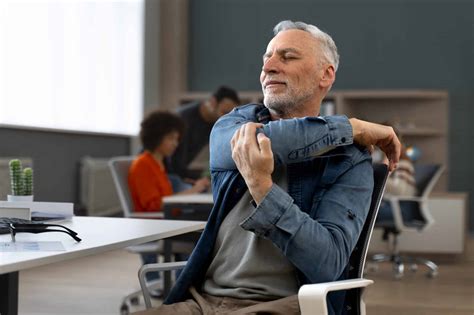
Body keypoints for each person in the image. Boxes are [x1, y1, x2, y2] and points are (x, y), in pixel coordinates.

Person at [136, 20, 400, 315]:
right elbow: (265, 140)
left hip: (285, 306)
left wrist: (263, 189)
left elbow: (327, 263)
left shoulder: (349, 159)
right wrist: (350, 127)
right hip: (201, 303)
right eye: (267, 57)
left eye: (288, 57)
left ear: (325, 75)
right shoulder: (231, 125)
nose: (269, 66)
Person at [128, 110, 210, 286]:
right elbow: (155, 205)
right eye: (171, 138)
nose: (176, 143)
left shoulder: (158, 165)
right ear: (158, 137)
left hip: (166, 219)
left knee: (203, 224)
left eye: (177, 138)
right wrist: (193, 190)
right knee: (200, 232)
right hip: (153, 224)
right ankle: (184, 283)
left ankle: (185, 280)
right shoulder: (142, 165)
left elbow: (166, 198)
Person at [168, 86, 240, 179]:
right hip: (163, 173)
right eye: (224, 112)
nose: (226, 119)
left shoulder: (214, 123)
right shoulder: (183, 119)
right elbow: (174, 162)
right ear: (213, 102)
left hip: (178, 171)